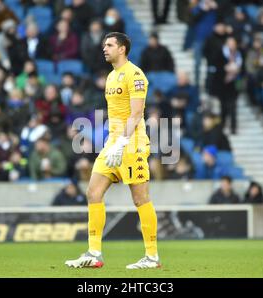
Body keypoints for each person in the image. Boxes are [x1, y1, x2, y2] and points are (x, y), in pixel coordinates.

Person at [65, 32, 160, 269]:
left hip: (133, 144)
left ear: (122, 49)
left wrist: (122, 142)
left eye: (109, 45)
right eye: (103, 45)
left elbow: (136, 113)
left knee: (140, 199)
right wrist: (113, 142)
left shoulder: (135, 74)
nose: (104, 48)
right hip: (113, 143)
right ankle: (94, 254)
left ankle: (152, 257)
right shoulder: (111, 76)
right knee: (93, 192)